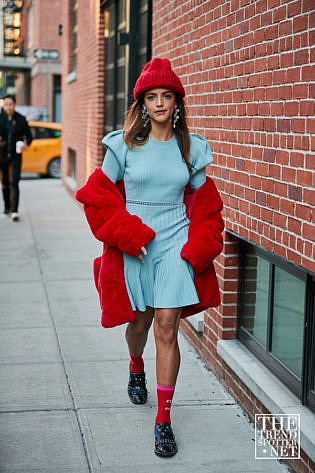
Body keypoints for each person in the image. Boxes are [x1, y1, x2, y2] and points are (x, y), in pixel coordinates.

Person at [76, 57, 224, 457]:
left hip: (175, 243)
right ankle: (136, 365)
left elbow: (208, 206)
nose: (160, 103)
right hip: (136, 245)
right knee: (140, 322)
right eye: (153, 97)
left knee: (166, 323)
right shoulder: (122, 145)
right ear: (143, 104)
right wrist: (128, 233)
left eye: (168, 96)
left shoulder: (191, 149)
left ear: (177, 102)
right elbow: (98, 198)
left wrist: (197, 246)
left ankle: (163, 420)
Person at [0, 94, 33, 221]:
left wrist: (25, 145)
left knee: (14, 182)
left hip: (16, 156)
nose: (8, 107)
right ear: (4, 105)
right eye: (6, 104)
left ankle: (14, 210)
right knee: (5, 183)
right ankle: (7, 207)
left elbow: (29, 137)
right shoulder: (0, 119)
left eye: (11, 104)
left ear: (14, 105)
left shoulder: (21, 119)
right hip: (2, 156)